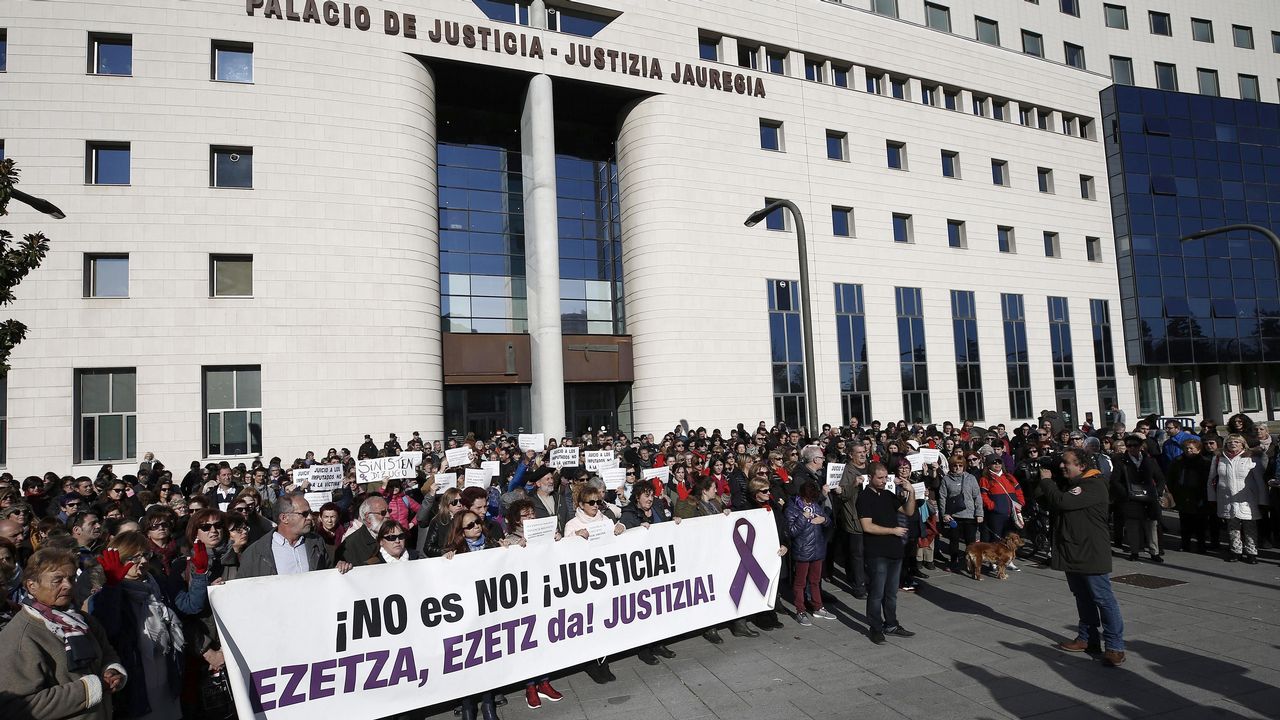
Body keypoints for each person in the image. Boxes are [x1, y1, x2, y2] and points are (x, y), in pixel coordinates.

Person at [93, 530, 210, 719]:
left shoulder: (158, 585)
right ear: (120, 559)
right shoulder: (105, 594)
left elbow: (191, 606)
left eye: (145, 555)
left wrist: (199, 573)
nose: (142, 562)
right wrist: (112, 587)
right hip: (137, 683)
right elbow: (109, 628)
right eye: (134, 557)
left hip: (168, 676)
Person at [0, 548, 128, 719]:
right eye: (57, 580)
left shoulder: (82, 620)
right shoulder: (21, 636)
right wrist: (89, 689)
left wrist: (112, 671)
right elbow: (16, 707)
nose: (68, 585)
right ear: (32, 586)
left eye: (71, 578)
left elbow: (106, 652)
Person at [1037, 448, 1126, 667]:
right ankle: (1088, 639)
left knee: (1103, 599)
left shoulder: (1093, 484)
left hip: (1091, 551)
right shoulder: (1073, 484)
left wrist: (1047, 482)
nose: (1061, 466)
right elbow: (1047, 501)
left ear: (1081, 465)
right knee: (1082, 596)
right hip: (1073, 549)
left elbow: (1063, 502)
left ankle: (1115, 647)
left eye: (1066, 463)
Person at [856, 462, 916, 645]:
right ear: (871, 477)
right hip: (877, 552)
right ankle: (875, 627)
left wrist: (911, 492)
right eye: (880, 478)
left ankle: (891, 624)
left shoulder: (889, 495)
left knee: (891, 592)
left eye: (885, 478)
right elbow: (867, 526)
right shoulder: (864, 497)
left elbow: (909, 511)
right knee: (877, 592)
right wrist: (893, 531)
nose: (883, 481)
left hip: (894, 551)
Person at [237, 495, 351, 578]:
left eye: (310, 513)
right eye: (304, 514)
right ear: (284, 518)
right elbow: (241, 589)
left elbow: (327, 575)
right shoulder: (256, 552)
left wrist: (338, 569)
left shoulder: (316, 542)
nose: (310, 518)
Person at [1210, 433, 1269, 564]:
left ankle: (1252, 552)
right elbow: (1212, 479)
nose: (1233, 444)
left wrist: (1262, 500)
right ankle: (1236, 551)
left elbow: (1259, 480)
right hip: (1226, 497)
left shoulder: (1250, 458)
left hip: (1247, 498)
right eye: (1230, 442)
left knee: (1250, 526)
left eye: (1236, 442)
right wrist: (1212, 497)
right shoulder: (1219, 458)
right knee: (1232, 526)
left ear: (1243, 444)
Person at [1111, 433, 1166, 563]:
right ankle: (1134, 551)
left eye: (1134, 445)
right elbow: (1115, 481)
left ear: (1141, 446)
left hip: (1149, 498)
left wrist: (1157, 492)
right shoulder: (1121, 461)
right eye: (1129, 446)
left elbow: (1160, 478)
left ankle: (1154, 552)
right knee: (1132, 526)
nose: (1131, 448)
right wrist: (1125, 493)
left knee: (1151, 525)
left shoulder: (1150, 460)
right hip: (1131, 499)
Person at [786, 480, 833, 626]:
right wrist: (803, 517)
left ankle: (818, 607)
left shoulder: (815, 505)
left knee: (815, 580)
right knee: (800, 582)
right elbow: (791, 532)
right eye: (808, 499)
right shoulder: (792, 509)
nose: (810, 502)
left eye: (812, 499)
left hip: (817, 549)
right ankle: (800, 610)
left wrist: (823, 519)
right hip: (802, 550)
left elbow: (829, 522)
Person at [938, 450, 982, 573]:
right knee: (954, 541)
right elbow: (942, 497)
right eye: (955, 465)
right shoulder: (946, 479)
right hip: (954, 515)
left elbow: (977, 496)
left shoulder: (971, 478)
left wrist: (979, 513)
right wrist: (944, 514)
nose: (957, 467)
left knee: (971, 542)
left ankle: (972, 564)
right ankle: (953, 561)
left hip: (970, 514)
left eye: (960, 465)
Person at [1166, 438, 1212, 553]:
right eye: (1186, 448)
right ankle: (1185, 544)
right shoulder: (1178, 461)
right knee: (1185, 523)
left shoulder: (1205, 462)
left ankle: (1201, 545)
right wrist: (1172, 492)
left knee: (1200, 524)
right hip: (1183, 495)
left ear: (1198, 449)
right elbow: (1171, 478)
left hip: (1199, 495)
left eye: (1191, 448)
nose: (1188, 450)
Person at [336, 495, 390, 565]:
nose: (388, 515)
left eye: (389, 511)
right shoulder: (350, 546)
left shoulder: (399, 535)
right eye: (383, 513)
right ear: (368, 518)